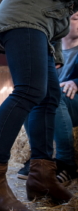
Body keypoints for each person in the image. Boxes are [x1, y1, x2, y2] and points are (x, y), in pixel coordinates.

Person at [0, 0, 78, 211]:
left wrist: (55, 54)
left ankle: (42, 176)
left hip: (45, 28)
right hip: (27, 17)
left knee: (50, 97)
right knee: (29, 90)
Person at [18, 12, 78, 183]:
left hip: (74, 102)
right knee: (27, 101)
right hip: (53, 106)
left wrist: (76, 82)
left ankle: (66, 163)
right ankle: (39, 159)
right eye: (75, 18)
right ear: (63, 24)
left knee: (54, 97)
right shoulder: (49, 51)